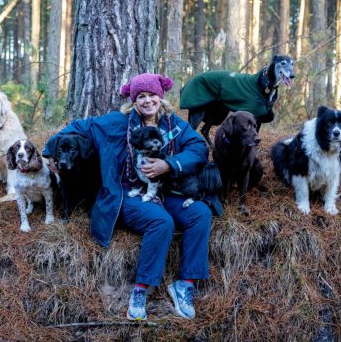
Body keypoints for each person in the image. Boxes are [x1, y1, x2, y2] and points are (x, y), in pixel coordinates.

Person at [42, 73, 220, 321]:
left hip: (164, 190)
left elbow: (198, 149)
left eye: (152, 95)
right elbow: (78, 127)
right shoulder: (118, 122)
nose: (147, 101)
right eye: (141, 96)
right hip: (128, 195)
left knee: (199, 213)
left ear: (161, 97)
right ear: (134, 101)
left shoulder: (174, 124)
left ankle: (185, 283)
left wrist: (169, 165)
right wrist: (49, 150)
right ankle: (141, 290)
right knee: (161, 221)